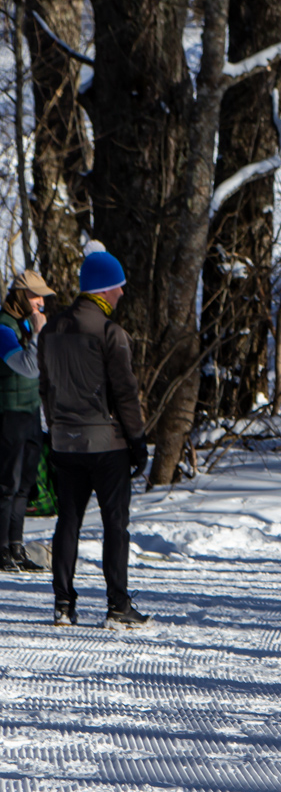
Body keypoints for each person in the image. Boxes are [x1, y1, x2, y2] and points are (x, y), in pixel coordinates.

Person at [38, 247, 149, 627]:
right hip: (106, 445)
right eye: (118, 286)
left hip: (65, 442)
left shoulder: (51, 330)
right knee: (115, 524)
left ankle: (63, 605)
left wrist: (55, 428)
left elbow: (45, 388)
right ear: (103, 289)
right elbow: (125, 393)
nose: (122, 293)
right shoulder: (109, 333)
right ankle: (118, 606)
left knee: (68, 521)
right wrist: (137, 440)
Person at [0, 270, 52, 572]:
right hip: (8, 412)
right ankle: (2, 549)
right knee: (7, 482)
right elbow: (28, 367)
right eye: (35, 296)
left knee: (25, 484)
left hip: (31, 411)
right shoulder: (4, 328)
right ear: (20, 296)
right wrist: (39, 332)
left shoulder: (25, 324)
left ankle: (16, 547)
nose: (41, 302)